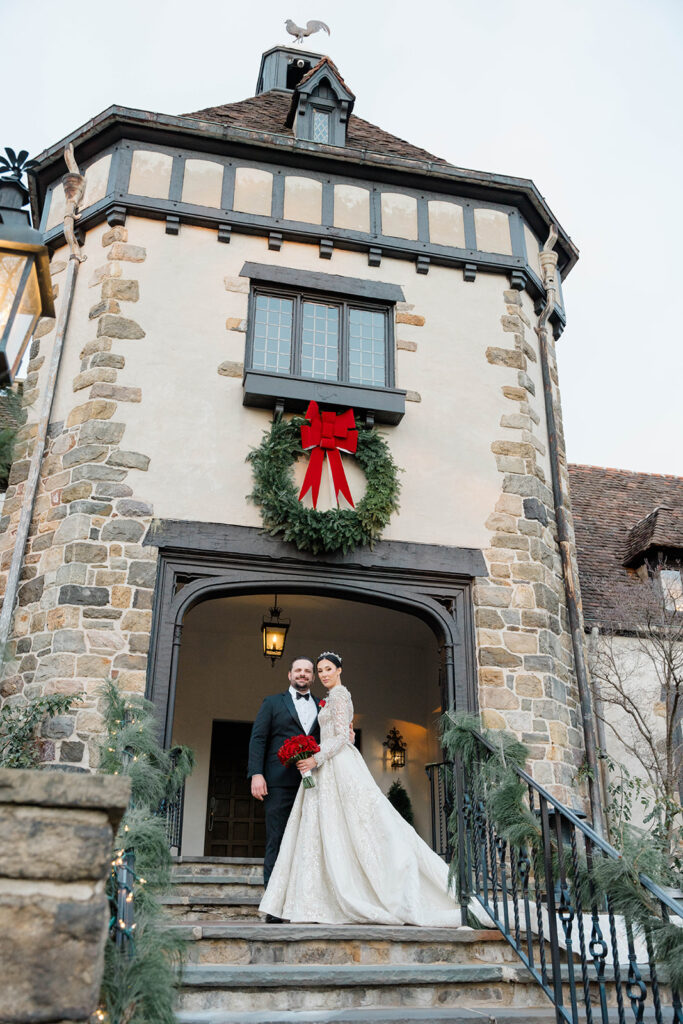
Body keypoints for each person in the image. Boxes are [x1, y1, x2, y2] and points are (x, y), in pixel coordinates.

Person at [259, 651, 463, 926]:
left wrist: (316, 758)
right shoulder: (328, 698)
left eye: (328, 669)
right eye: (320, 670)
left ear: (339, 670)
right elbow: (341, 733)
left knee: (358, 824)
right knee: (332, 828)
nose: (323, 674)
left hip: (336, 764)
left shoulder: (340, 695)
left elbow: (341, 737)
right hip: (326, 766)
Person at [247, 656, 321, 921]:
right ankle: (274, 907)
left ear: (313, 677)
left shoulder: (321, 706)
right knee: (277, 842)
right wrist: (256, 773)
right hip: (278, 783)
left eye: (307, 671)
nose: (302, 674)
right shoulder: (272, 703)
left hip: (313, 783)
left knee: (309, 843)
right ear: (289, 675)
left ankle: (305, 905)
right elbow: (258, 738)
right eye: (298, 670)